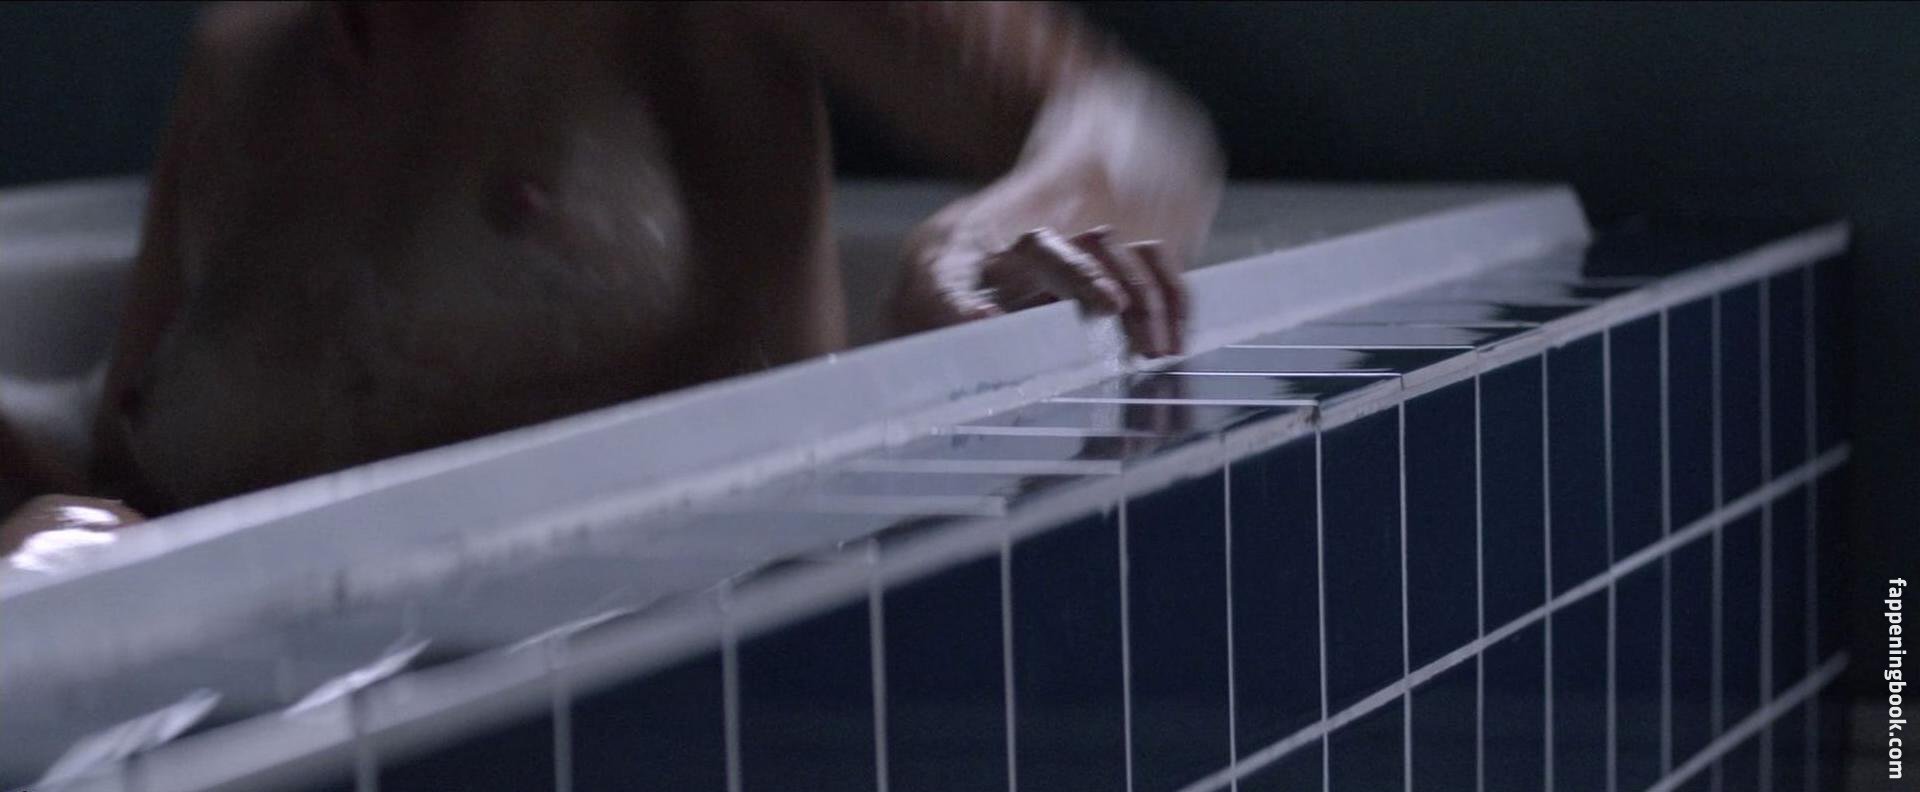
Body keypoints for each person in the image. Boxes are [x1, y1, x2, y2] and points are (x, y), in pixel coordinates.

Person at [1, 0, 1223, 539]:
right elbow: (127, 464)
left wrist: (969, 247)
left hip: (666, 708)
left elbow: (1134, 125)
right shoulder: (240, 57)